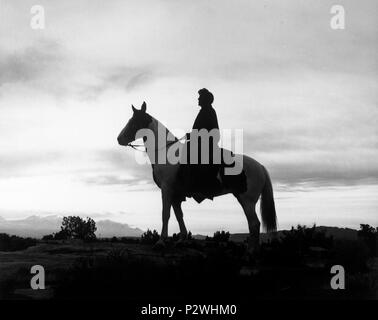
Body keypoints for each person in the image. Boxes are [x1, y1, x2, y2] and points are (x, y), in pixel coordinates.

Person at [182, 88, 222, 199]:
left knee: (190, 157)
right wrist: (191, 135)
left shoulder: (208, 111)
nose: (198, 99)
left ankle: (197, 187)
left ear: (205, 99)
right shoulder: (205, 110)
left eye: (200, 97)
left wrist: (193, 136)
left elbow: (208, 131)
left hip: (206, 143)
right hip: (201, 141)